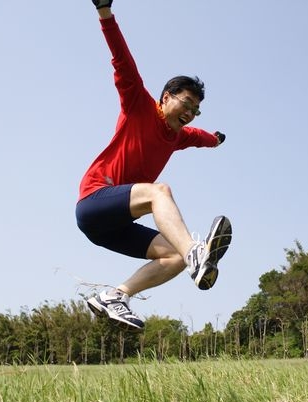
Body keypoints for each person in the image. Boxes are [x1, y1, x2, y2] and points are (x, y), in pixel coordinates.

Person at [76, 0, 232, 330]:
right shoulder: (139, 105)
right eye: (186, 102)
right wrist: (105, 13)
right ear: (165, 98)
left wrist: (215, 139)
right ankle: (196, 252)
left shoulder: (179, 136)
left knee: (173, 257)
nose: (190, 112)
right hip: (94, 201)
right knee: (160, 193)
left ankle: (115, 296)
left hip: (114, 227)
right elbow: (122, 58)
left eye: (196, 109)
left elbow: (199, 136)